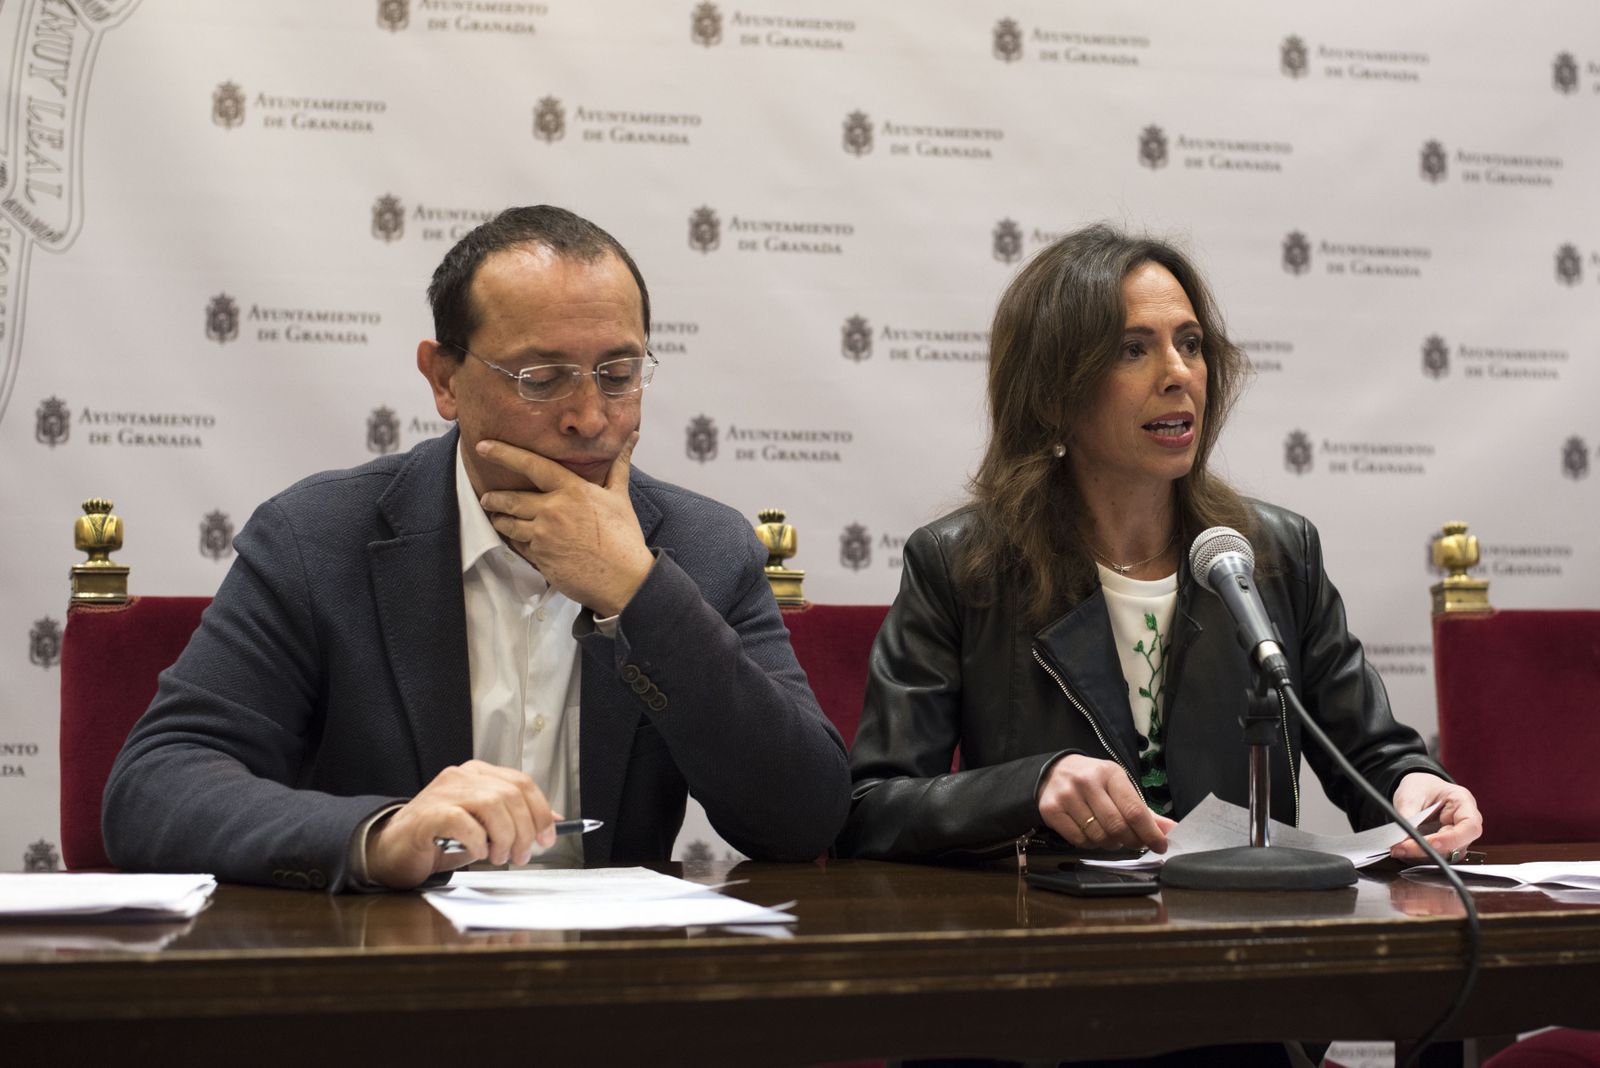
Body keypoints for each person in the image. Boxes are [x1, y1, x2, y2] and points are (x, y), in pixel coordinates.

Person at [105, 205, 849, 891]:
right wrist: (377, 836)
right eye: (542, 378)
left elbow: (802, 818)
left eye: (617, 375)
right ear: (444, 379)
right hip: (386, 984)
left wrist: (639, 594)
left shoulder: (702, 548)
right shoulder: (317, 539)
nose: (590, 417)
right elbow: (155, 786)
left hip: (614, 992)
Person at [838, 224, 1482, 871]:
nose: (1179, 374)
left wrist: (1415, 789)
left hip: (1245, 932)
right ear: (1055, 392)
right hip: (1055, 941)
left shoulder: (1276, 556)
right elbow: (872, 807)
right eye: (1132, 350)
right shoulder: (961, 567)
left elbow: (1374, 756)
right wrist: (1029, 787)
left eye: (1192, 344)